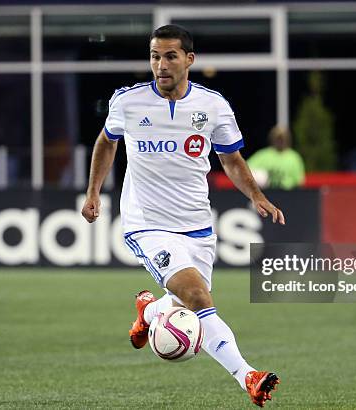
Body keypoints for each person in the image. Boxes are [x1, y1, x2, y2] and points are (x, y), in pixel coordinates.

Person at [81, 24, 285, 407]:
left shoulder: (213, 106)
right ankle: (249, 376)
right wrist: (93, 192)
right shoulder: (128, 101)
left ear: (189, 60)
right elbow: (106, 142)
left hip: (197, 226)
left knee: (185, 304)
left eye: (170, 56)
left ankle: (150, 310)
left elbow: (231, 159)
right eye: (155, 56)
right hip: (147, 222)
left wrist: (257, 196)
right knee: (197, 296)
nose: (161, 64)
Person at [247, 125, 305, 190]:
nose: (280, 141)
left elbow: (299, 182)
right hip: (266, 194)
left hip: (288, 195)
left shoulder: (294, 158)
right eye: (278, 138)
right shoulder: (263, 155)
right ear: (272, 138)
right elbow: (246, 169)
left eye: (282, 138)